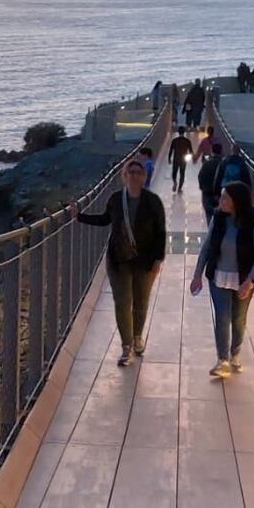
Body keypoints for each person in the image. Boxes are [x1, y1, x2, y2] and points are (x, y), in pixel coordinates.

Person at [72, 155, 166, 366]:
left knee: (141, 302)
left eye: (138, 173)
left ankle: (137, 337)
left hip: (145, 261)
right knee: (123, 303)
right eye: (130, 172)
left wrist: (158, 260)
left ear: (144, 177)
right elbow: (105, 219)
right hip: (118, 261)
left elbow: (160, 232)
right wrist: (80, 216)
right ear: (125, 176)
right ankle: (126, 347)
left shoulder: (153, 202)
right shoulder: (116, 199)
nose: (134, 176)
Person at [191, 182, 254, 377]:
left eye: (225, 197)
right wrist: (197, 274)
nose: (221, 201)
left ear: (237, 201)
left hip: (243, 278)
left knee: (238, 319)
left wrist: (250, 281)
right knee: (223, 316)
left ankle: (235, 353)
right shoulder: (218, 219)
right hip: (219, 276)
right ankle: (222, 360)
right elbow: (207, 247)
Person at [198, 142, 224, 224]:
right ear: (221, 151)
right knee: (220, 214)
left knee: (209, 214)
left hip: (207, 192)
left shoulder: (207, 163)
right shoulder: (223, 163)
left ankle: (211, 229)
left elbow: (200, 176)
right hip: (220, 194)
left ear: (212, 151)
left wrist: (202, 187)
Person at [169, 125, 194, 193]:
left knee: (174, 173)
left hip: (176, 159)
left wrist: (169, 158)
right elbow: (191, 151)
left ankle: (175, 182)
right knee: (182, 173)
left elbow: (171, 150)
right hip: (183, 160)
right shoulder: (187, 141)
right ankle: (180, 188)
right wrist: (192, 158)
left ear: (178, 132)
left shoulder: (174, 141)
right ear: (184, 132)